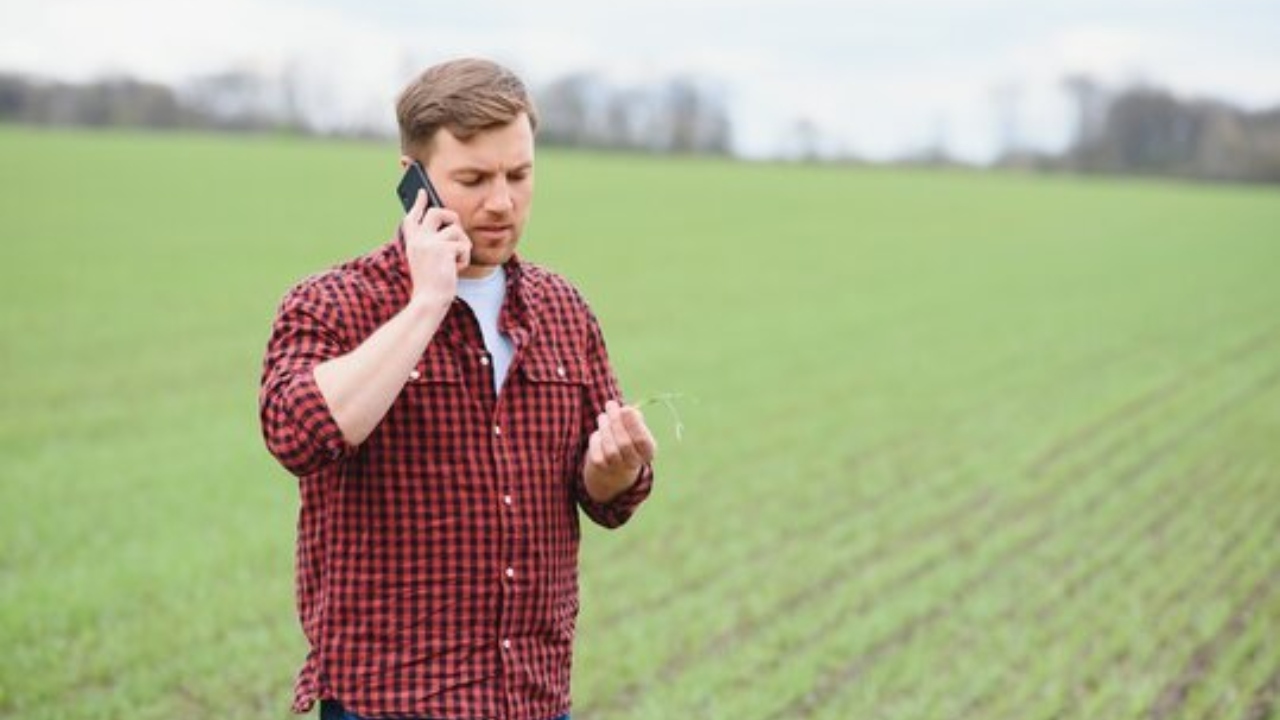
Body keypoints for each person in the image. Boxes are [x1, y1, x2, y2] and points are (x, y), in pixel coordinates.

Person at [259, 57, 657, 720]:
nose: (501, 202)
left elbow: (608, 500)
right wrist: (426, 304)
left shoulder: (564, 310)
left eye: (519, 175)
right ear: (412, 179)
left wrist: (613, 473)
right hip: (388, 702)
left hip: (532, 698)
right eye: (473, 179)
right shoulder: (332, 304)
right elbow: (297, 434)